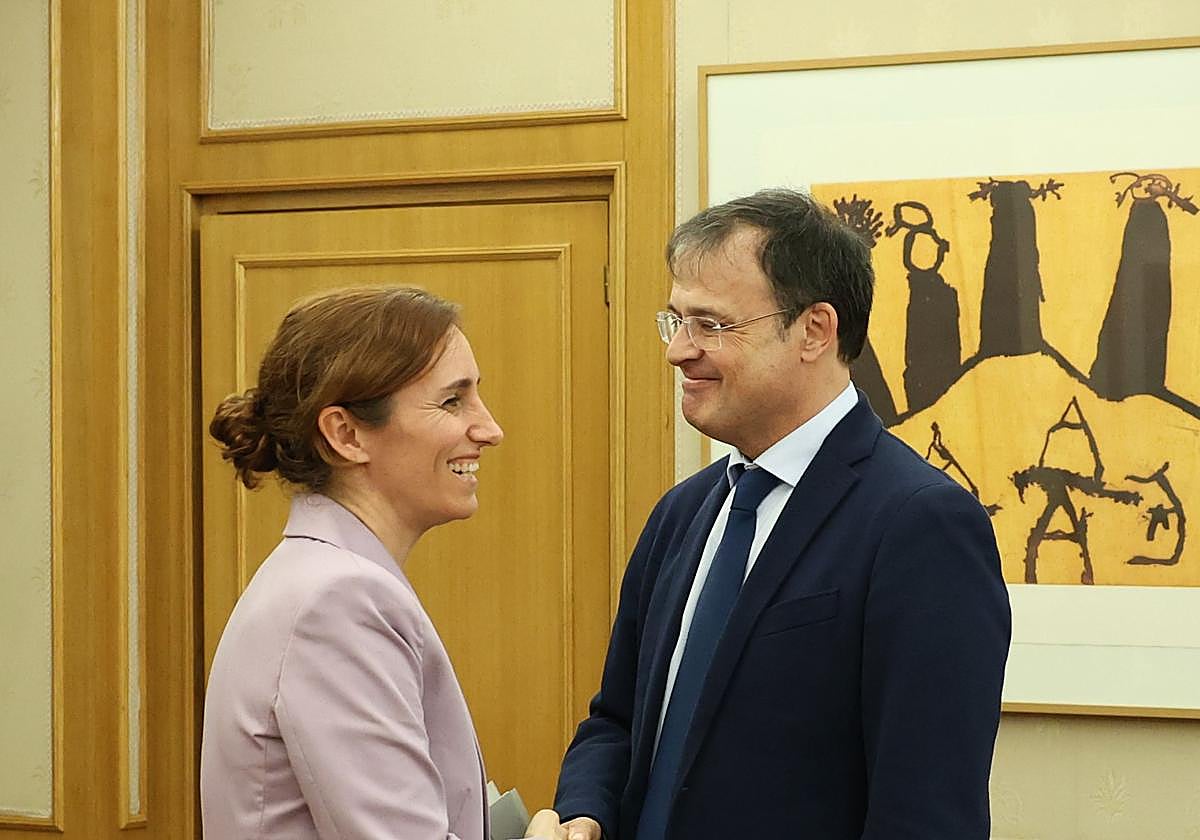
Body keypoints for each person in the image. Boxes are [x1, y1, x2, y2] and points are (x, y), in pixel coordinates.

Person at [551, 189, 1011, 839]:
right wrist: (586, 810)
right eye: (675, 320)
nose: (678, 351)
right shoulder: (682, 514)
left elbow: (927, 810)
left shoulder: (920, 525)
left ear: (815, 331)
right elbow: (617, 722)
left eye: (710, 325)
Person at [201, 286, 549, 839]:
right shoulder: (335, 601)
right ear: (346, 433)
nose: (489, 429)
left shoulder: (327, 580)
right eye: (453, 401)